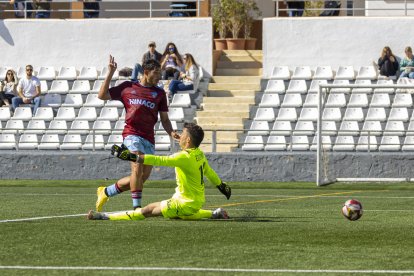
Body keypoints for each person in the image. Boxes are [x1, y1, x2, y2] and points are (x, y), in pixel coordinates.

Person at [88, 122, 231, 221]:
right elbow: (210, 172)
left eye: (182, 134)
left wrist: (132, 157)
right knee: (180, 215)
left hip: (184, 203)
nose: (179, 136)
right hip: (194, 202)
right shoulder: (199, 153)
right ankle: (214, 214)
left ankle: (103, 216)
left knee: (146, 211)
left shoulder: (184, 157)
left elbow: (159, 160)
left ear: (187, 140)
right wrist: (221, 186)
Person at [96, 55, 180, 211]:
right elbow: (102, 95)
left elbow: (165, 119)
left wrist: (171, 132)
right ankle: (137, 208)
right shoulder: (128, 87)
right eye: (157, 73)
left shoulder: (159, 94)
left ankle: (106, 191)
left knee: (141, 178)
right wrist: (110, 72)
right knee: (136, 166)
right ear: (146, 72)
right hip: (131, 134)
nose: (160, 77)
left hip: (149, 138)